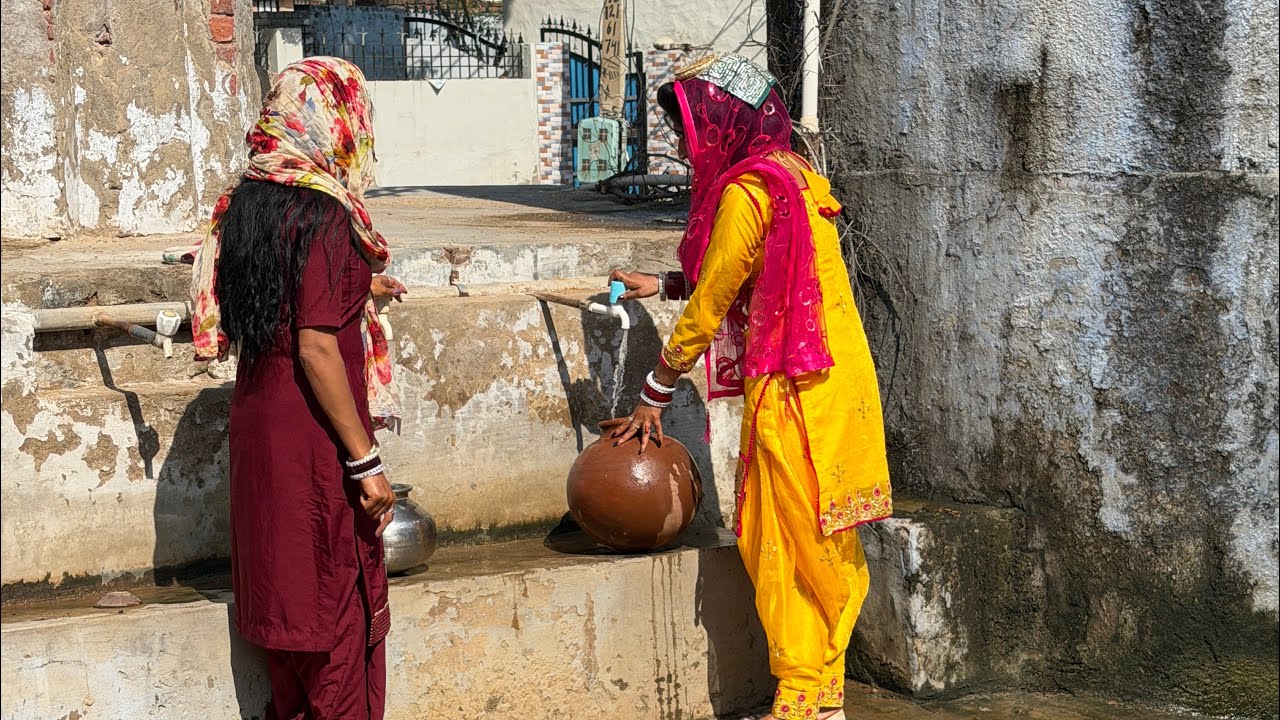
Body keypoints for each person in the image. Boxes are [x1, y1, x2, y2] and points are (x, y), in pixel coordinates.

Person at [609, 54, 893, 720]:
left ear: (722, 122)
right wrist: (668, 282)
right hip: (837, 378)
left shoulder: (747, 191)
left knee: (783, 539)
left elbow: (713, 304)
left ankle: (801, 700)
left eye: (690, 127)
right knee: (824, 534)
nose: (684, 145)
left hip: (797, 390)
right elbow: (748, 270)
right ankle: (823, 697)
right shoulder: (793, 175)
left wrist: (655, 388)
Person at [189, 57, 406, 720]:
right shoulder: (325, 212)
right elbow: (314, 345)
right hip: (313, 439)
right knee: (335, 623)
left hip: (260, 429)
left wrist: (358, 285)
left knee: (288, 632)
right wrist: (365, 461)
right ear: (338, 121)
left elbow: (278, 300)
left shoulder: (248, 200)